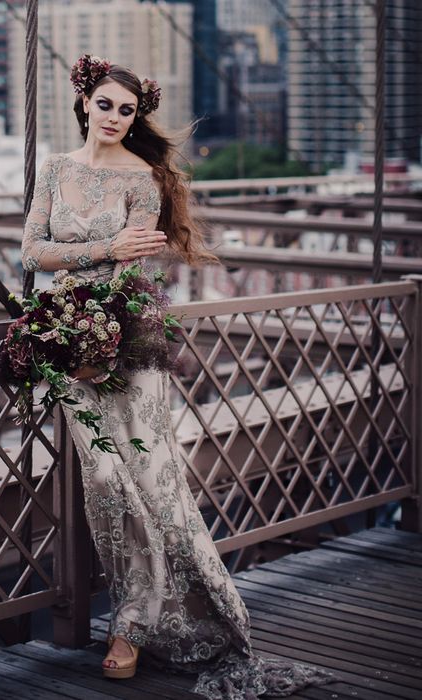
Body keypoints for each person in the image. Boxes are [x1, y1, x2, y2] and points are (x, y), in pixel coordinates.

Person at [20, 54, 338, 699]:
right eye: (104, 104)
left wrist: (102, 306)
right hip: (64, 339)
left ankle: (132, 624)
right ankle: (135, 610)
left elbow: (135, 272)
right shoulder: (53, 168)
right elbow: (32, 250)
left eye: (127, 110)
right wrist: (101, 254)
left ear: (136, 119)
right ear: (84, 103)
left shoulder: (142, 179)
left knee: (150, 478)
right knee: (106, 480)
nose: (113, 116)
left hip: (127, 340)